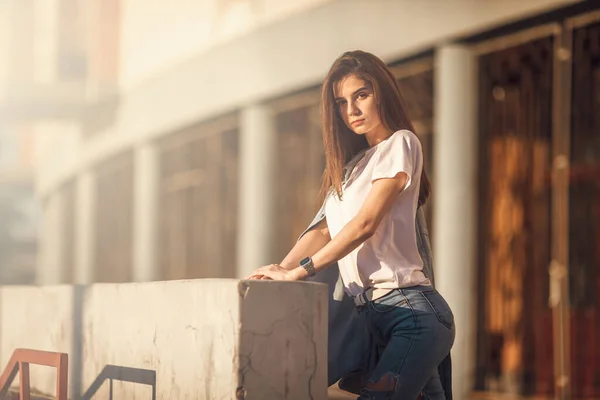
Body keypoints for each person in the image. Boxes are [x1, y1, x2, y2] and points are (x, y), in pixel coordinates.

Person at [247, 50, 455, 400]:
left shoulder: (401, 143)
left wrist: (301, 272)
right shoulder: (352, 168)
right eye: (342, 102)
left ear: (382, 92)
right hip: (374, 318)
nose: (351, 110)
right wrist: (279, 270)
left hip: (412, 315)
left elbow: (365, 224)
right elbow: (324, 230)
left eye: (361, 95)